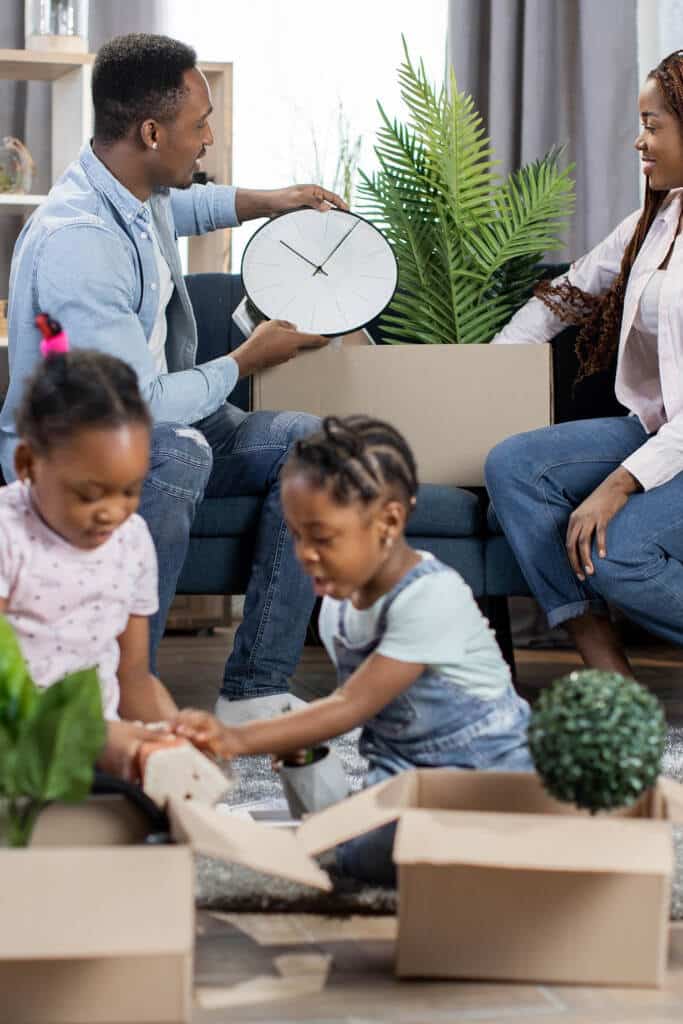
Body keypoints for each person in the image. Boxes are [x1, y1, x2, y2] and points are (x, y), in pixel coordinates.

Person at [2, 33, 348, 724]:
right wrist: (249, 358)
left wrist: (273, 200)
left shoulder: (135, 187)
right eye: (200, 125)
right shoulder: (80, 240)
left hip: (166, 418)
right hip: (86, 445)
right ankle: (126, 702)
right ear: (152, 131)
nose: (209, 139)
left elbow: (188, 206)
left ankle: (255, 690)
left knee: (319, 447)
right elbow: (142, 408)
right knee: (178, 452)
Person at [173, 416, 532, 885]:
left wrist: (238, 738)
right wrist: (290, 739)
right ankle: (342, 834)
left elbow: (352, 705)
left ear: (389, 520)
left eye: (322, 538)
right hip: (400, 767)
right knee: (361, 847)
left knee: (386, 853)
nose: (303, 554)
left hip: (488, 768)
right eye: (297, 535)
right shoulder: (338, 608)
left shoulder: (431, 596)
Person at [484, 49, 683, 677]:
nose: (639, 140)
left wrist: (618, 484)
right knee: (514, 464)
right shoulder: (658, 218)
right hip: (655, 429)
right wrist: (484, 373)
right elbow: (565, 296)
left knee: (618, 552)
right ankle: (603, 662)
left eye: (653, 125)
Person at [0, 336, 181, 781]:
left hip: (95, 742)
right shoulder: (8, 533)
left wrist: (172, 732)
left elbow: (134, 675)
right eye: (89, 494)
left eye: (130, 491)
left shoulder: (132, 539)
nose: (112, 512)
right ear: (28, 464)